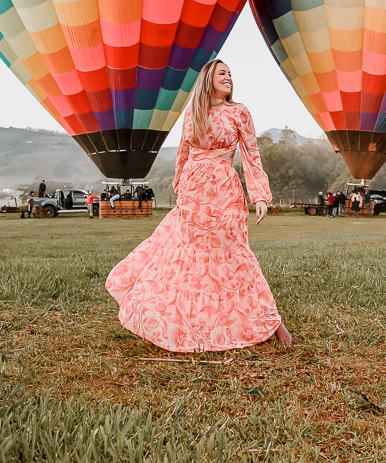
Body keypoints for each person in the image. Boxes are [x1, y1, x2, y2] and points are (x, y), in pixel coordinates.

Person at [105, 59, 292, 352]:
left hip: (224, 191)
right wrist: (180, 187)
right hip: (194, 194)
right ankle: (189, 321)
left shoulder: (239, 113)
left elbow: (252, 155)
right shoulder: (193, 112)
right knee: (187, 258)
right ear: (208, 79)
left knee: (235, 254)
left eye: (231, 73)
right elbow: (183, 151)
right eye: (222, 73)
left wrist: (259, 196)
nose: (229, 77)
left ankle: (271, 320)